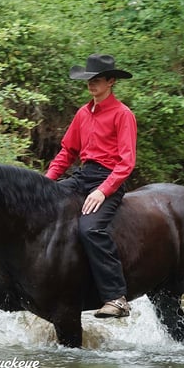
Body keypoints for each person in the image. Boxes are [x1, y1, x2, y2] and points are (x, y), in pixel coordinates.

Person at [45, 54, 137, 318]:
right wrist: (45, 183)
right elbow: (66, 151)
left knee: (90, 229)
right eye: (89, 79)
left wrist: (103, 190)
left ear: (111, 82)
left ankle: (116, 298)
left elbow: (126, 162)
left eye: (97, 79)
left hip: (109, 180)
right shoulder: (83, 113)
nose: (92, 83)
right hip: (83, 175)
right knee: (41, 209)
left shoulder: (123, 115)